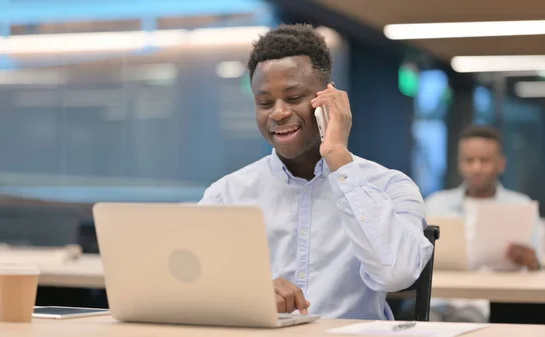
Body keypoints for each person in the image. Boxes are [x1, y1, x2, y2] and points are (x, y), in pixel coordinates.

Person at [198, 23, 433, 320]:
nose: (279, 112)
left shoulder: (390, 186)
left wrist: (338, 157)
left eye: (294, 98)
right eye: (265, 103)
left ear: (327, 98)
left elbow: (397, 274)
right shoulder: (225, 195)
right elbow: (198, 286)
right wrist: (249, 294)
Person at [424, 125, 543, 322]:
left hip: (491, 303)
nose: (476, 168)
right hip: (439, 298)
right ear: (459, 163)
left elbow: (537, 266)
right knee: (423, 323)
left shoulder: (520, 206)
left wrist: (529, 260)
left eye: (484, 160)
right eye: (469, 160)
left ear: (501, 164)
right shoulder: (436, 204)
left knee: (466, 320)